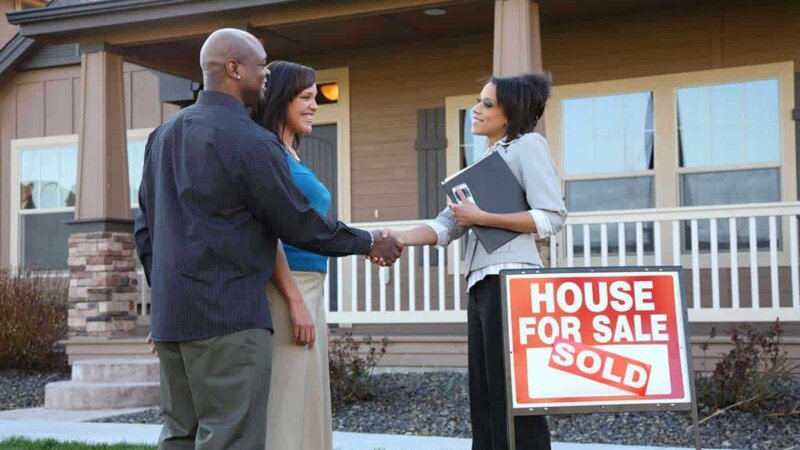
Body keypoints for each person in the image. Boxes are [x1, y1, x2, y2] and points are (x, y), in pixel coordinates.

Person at [134, 29, 402, 450]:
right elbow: (298, 223)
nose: (266, 74)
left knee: (180, 437)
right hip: (229, 322)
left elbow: (144, 229)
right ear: (233, 69)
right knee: (230, 439)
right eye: (260, 65)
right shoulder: (252, 142)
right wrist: (368, 241)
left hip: (172, 321)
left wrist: (165, 298)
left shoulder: (162, 136)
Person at [381, 73, 567, 450]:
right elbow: (447, 225)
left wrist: (483, 217)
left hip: (512, 282)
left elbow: (552, 217)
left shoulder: (527, 145)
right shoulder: (485, 161)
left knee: (512, 390)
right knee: (485, 393)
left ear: (510, 112)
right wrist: (395, 237)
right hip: (482, 283)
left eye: (487, 103)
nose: (475, 109)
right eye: (477, 101)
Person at [250, 60, 334, 450]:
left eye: (315, 97)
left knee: (308, 398)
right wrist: (295, 301)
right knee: (287, 401)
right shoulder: (269, 154)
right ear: (281, 99)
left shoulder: (290, 153)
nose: (314, 105)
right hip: (287, 289)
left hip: (310, 287)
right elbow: (268, 233)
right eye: (305, 97)